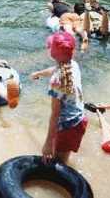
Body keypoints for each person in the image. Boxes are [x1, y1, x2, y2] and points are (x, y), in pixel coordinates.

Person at [30, 32, 87, 163]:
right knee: (64, 154)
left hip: (68, 127)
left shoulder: (56, 81)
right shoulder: (73, 64)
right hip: (80, 119)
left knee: (59, 163)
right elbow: (54, 69)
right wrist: (39, 73)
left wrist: (48, 143)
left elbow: (55, 114)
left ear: (53, 53)